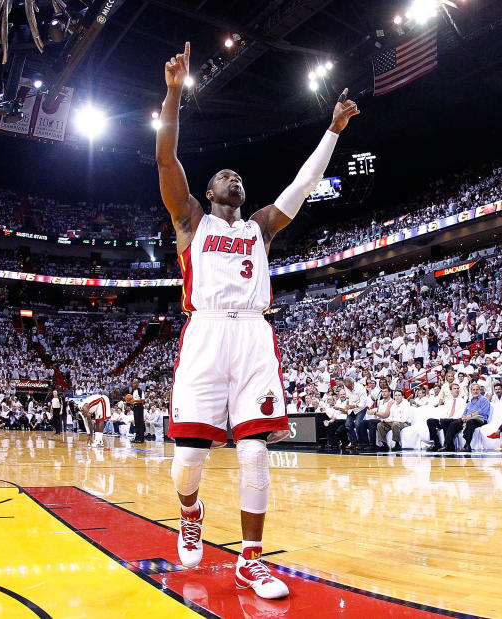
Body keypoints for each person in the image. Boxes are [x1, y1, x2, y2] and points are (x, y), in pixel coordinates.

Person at [157, 41, 359, 599]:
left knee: (253, 450)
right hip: (205, 333)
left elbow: (302, 184)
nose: (231, 175)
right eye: (223, 173)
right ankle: (190, 510)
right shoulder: (189, 219)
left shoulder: (259, 228)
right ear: (208, 191)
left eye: (237, 175)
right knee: (189, 460)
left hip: (252, 335)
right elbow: (166, 160)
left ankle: (251, 559)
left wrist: (333, 132)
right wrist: (174, 95)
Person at [442, 384, 489, 452]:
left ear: (480, 390)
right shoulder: (470, 403)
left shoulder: (484, 400)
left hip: (480, 419)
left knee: (470, 422)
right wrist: (463, 418)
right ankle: (447, 445)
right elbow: (465, 413)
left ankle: (467, 445)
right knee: (453, 424)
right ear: (471, 391)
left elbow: (482, 411)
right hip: (468, 419)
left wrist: (469, 416)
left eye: (477, 389)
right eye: (473, 390)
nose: (475, 391)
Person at [129, 378, 146, 443]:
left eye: (135, 383)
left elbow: (143, 400)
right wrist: (131, 403)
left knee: (140, 423)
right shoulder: (132, 392)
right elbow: (131, 401)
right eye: (133, 383)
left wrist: (134, 401)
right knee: (136, 423)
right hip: (135, 407)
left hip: (139, 407)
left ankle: (141, 438)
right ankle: (137, 437)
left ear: (138, 384)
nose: (134, 384)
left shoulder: (140, 391)